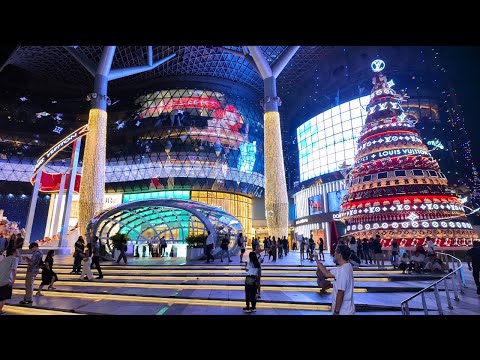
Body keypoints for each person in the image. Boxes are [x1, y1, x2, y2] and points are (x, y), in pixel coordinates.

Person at [314, 245, 355, 315]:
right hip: (347, 310)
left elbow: (340, 293)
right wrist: (317, 260)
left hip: (343, 312)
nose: (334, 254)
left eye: (335, 251)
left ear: (340, 254)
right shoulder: (346, 266)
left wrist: (336, 312)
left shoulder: (343, 271)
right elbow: (326, 273)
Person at [0, 248, 19, 315]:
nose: (18, 252)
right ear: (14, 252)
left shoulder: (4, 259)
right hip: (6, 280)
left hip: (1, 280)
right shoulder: (14, 259)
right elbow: (14, 269)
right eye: (17, 251)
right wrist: (14, 279)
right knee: (3, 298)